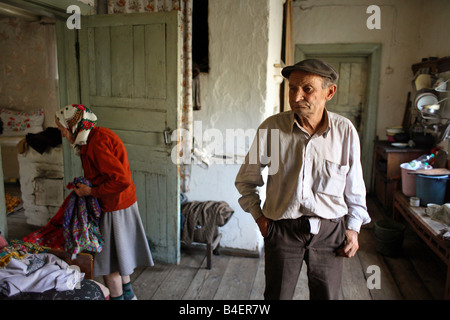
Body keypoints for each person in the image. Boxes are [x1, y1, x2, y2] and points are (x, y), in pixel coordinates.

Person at [235, 59, 371, 300]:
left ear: (330, 92)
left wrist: (353, 228)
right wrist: (260, 218)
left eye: (307, 88)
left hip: (331, 233)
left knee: (326, 296)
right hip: (282, 230)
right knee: (277, 296)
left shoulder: (345, 131)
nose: (296, 96)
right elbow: (246, 180)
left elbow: (355, 187)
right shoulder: (272, 129)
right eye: (292, 88)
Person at [55, 104, 154, 300]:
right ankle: (129, 296)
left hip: (115, 207)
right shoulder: (97, 135)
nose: (64, 135)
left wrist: (90, 191)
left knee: (109, 266)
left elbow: (121, 180)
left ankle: (118, 297)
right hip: (121, 203)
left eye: (63, 130)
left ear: (73, 127)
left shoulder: (96, 145)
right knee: (119, 257)